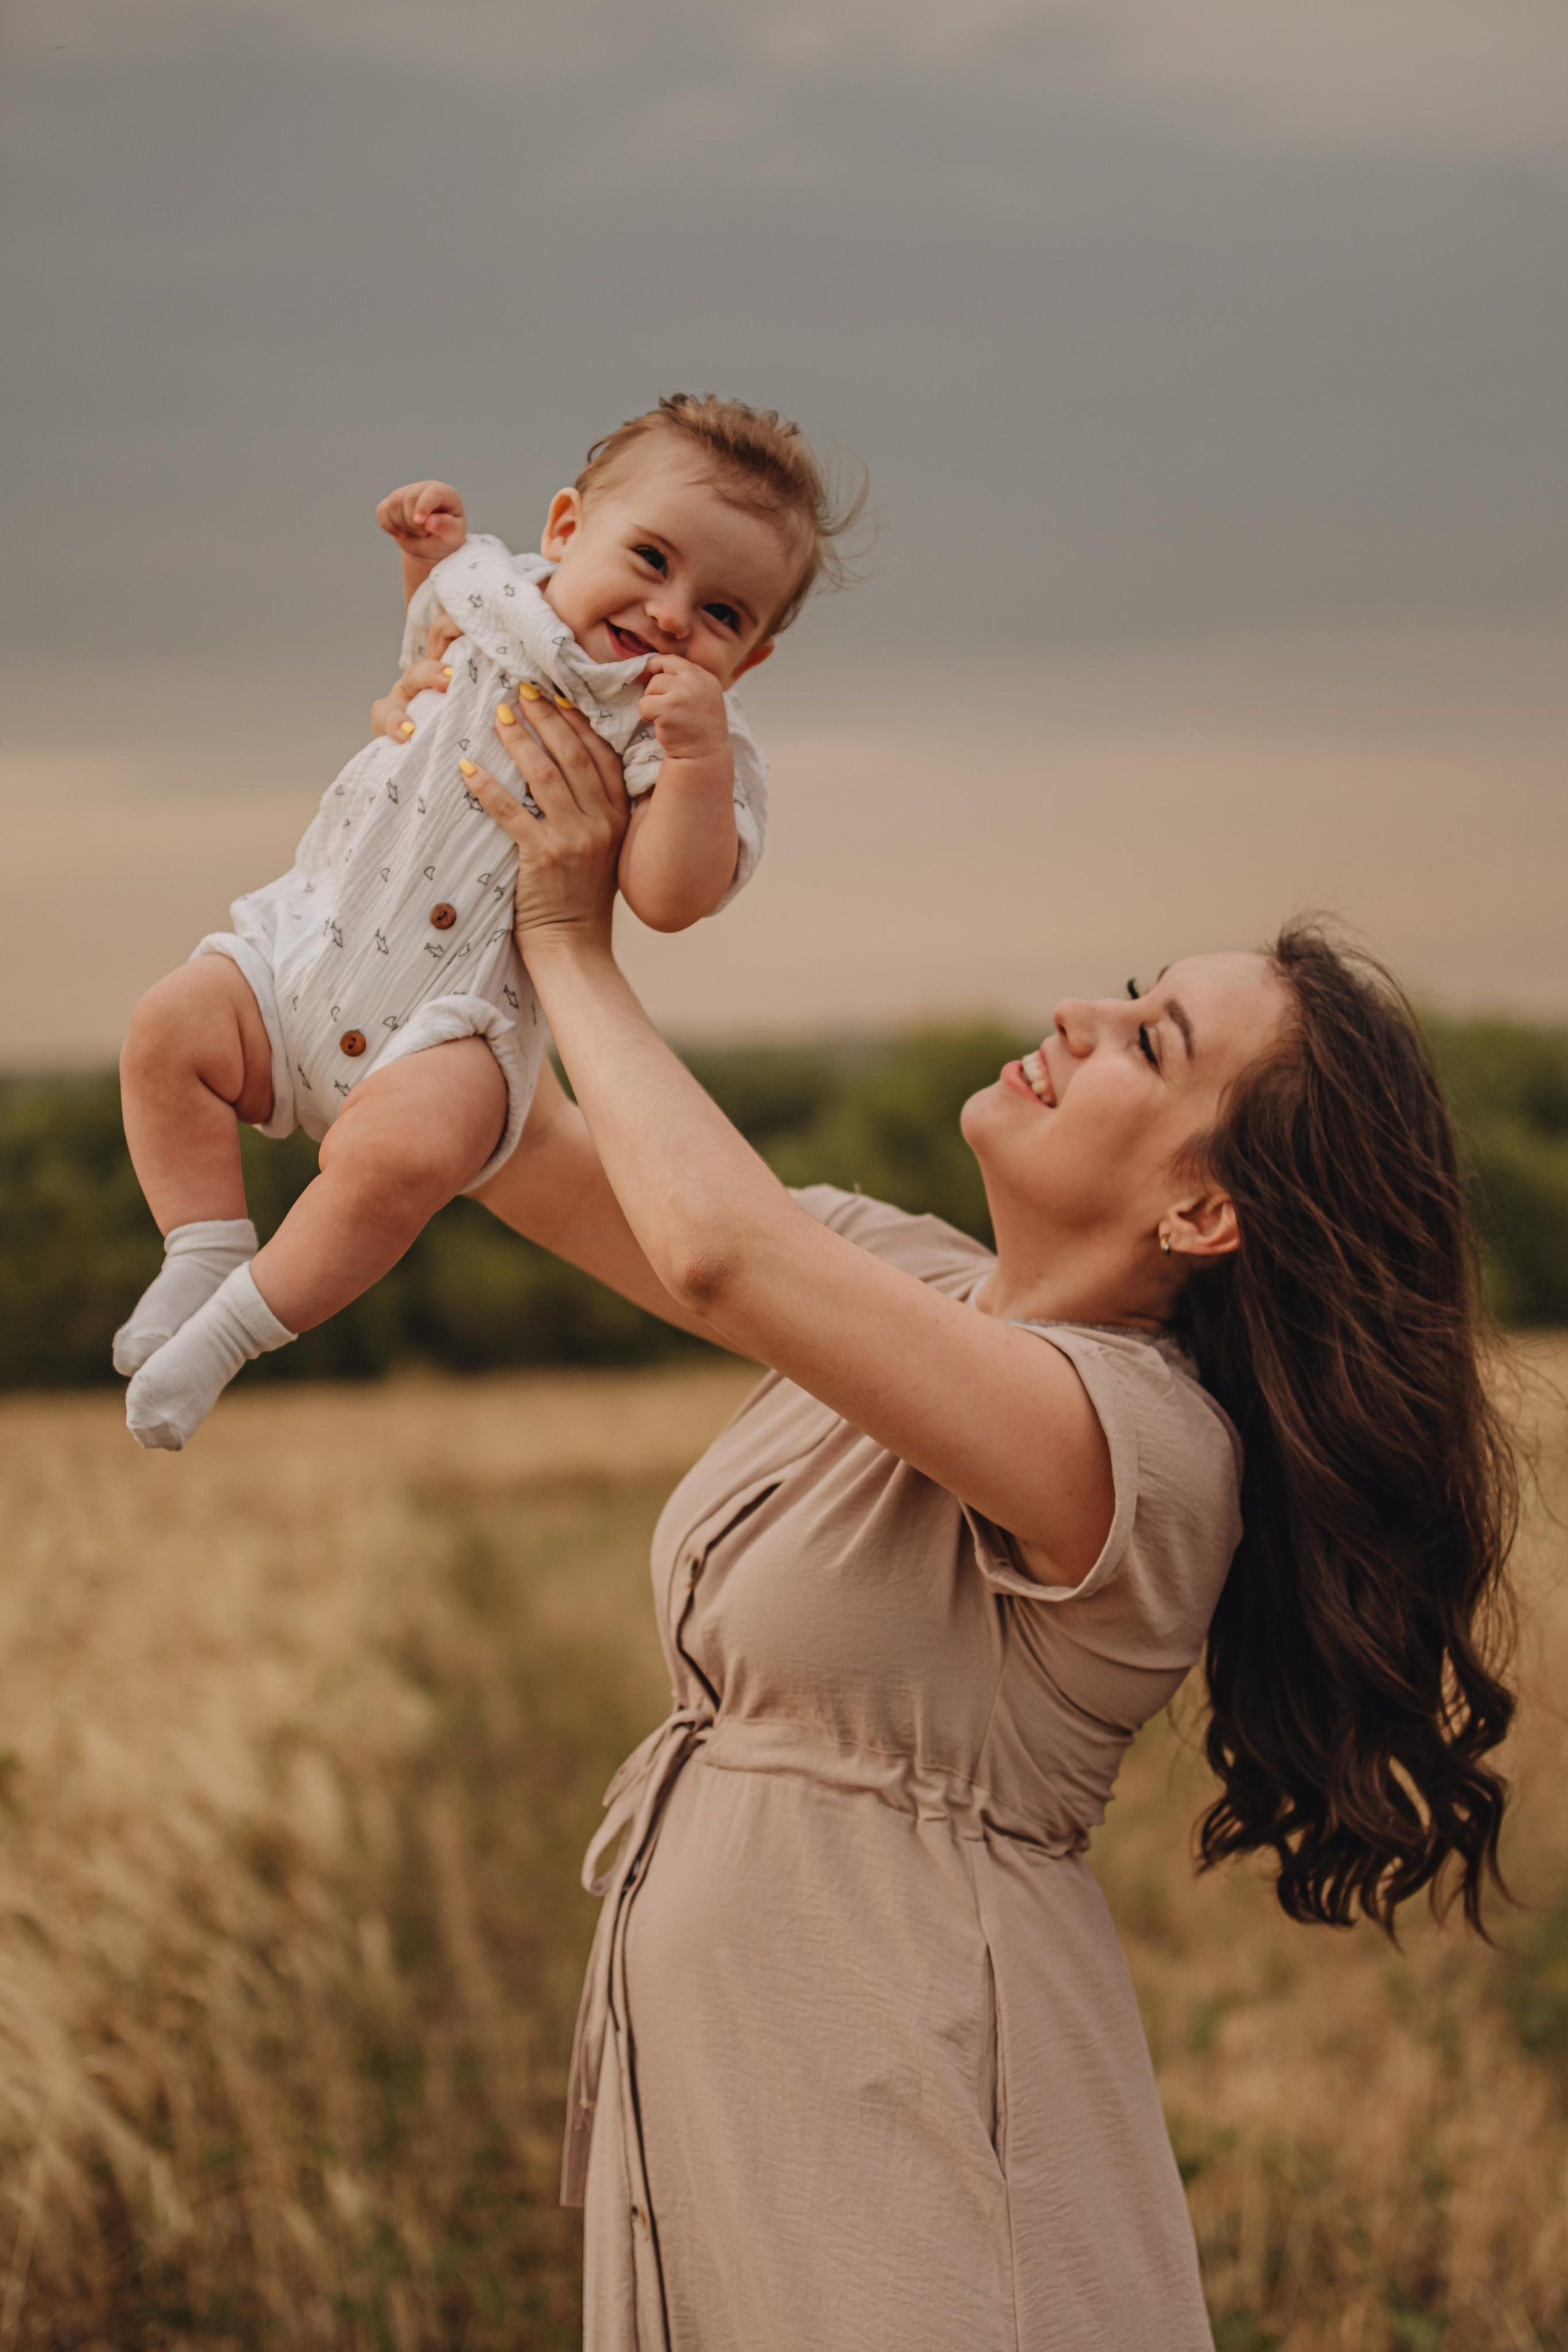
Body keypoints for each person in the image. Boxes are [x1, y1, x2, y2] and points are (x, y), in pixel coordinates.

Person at [417, 685, 1517, 2351]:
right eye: (1138, 991)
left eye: (1151, 1042)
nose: (1084, 1013)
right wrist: (441, 802)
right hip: (745, 2107)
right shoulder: (914, 1279)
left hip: (918, 2121)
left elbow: (721, 1246)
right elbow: (523, 1147)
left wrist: (573, 941)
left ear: (1206, 1208)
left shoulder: (1143, 1445)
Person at [114, 395, 854, 1451]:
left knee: (399, 1168)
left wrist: (694, 765)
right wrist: (427, 558)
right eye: (650, 559)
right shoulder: (493, 586)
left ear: (753, 661)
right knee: (165, 1029)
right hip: (306, 947)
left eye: (726, 615)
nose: (672, 614)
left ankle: (229, 1337)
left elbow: (667, 896)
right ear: (564, 532)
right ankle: (202, 1250)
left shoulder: (681, 730)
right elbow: (430, 643)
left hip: (453, 1024)